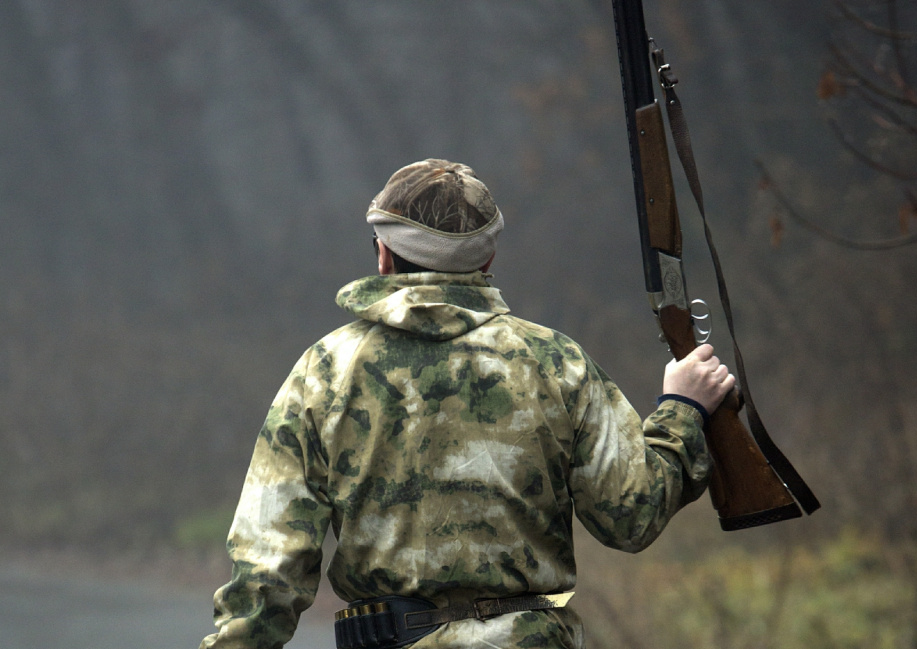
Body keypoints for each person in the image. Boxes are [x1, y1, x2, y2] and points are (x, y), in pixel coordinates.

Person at [200, 159, 735, 649]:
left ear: (383, 254)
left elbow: (267, 573)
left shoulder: (324, 372)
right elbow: (631, 517)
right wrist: (682, 409)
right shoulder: (556, 363)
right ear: (489, 257)